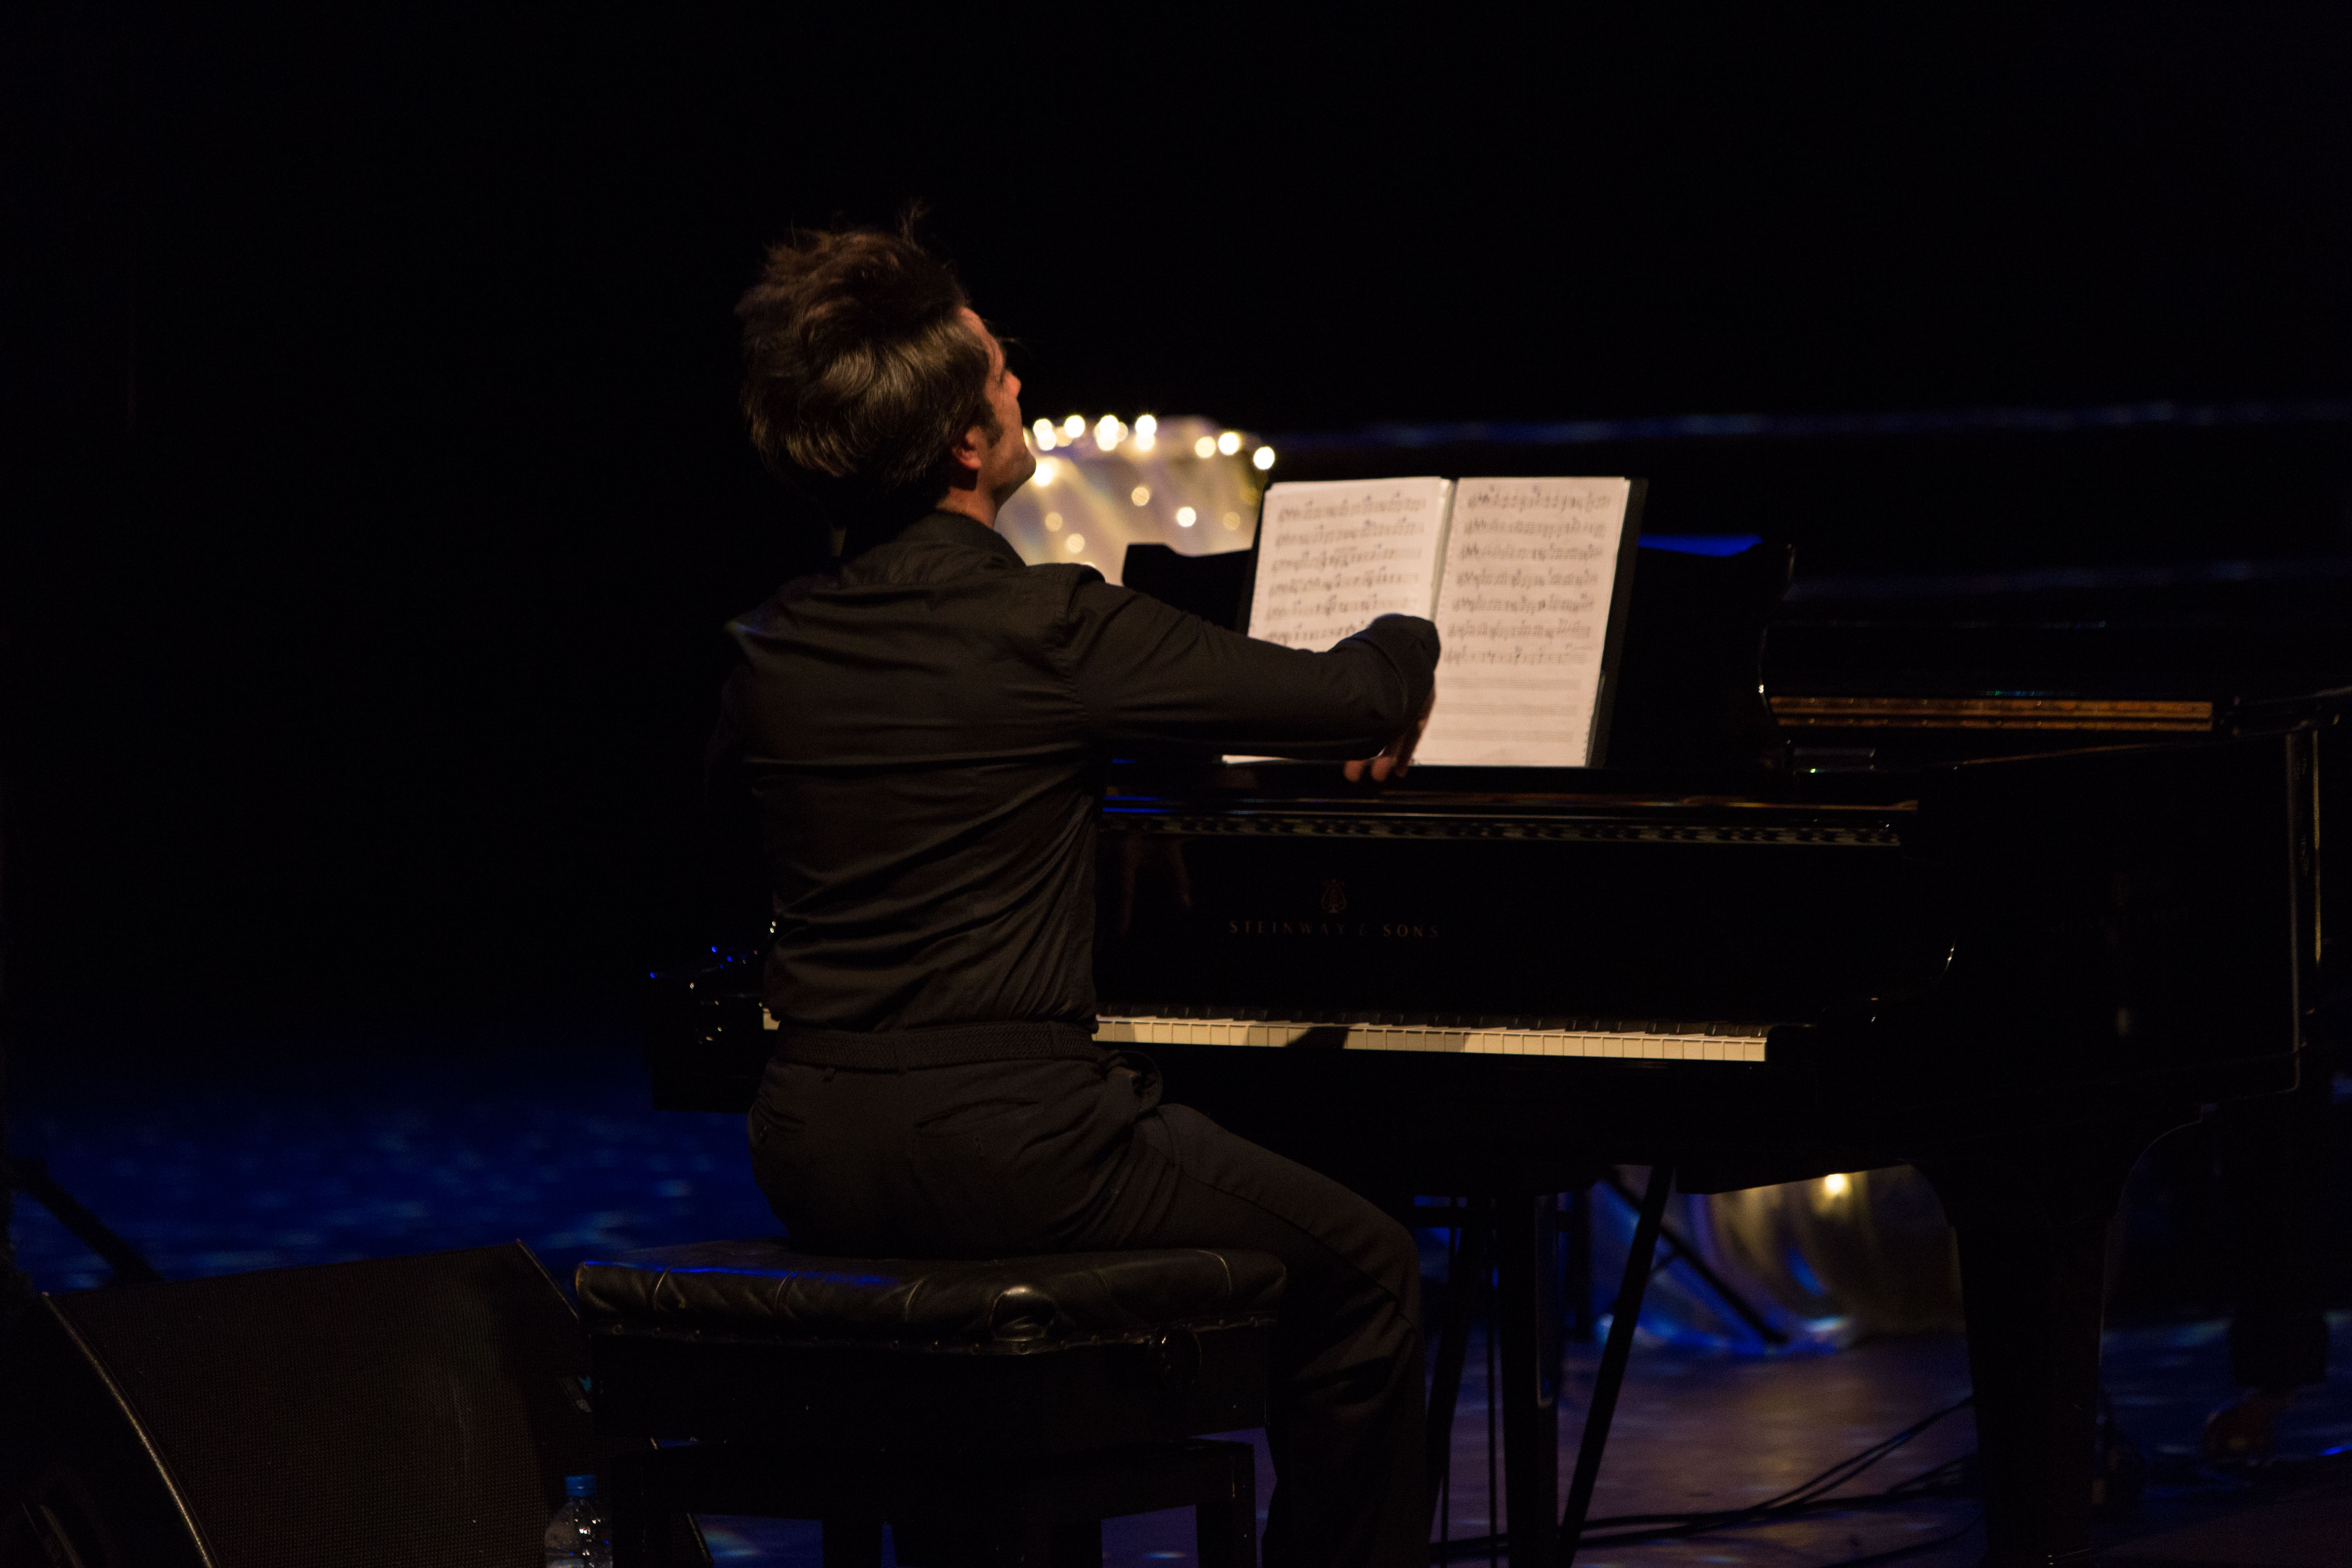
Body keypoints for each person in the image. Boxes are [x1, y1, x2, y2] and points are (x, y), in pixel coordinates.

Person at [708, 221, 1439, 1568]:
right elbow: (1355, 697)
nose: (1018, 386)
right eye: (1000, 374)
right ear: (964, 446)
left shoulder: (770, 645)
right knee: (1373, 1275)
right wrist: (1411, 632)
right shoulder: (1050, 627)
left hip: (809, 1144)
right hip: (1016, 1153)